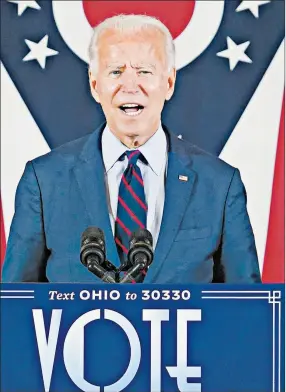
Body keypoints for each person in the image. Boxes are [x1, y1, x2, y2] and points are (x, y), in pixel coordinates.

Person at [2, 14, 261, 283]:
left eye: (144, 71)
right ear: (94, 85)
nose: (129, 86)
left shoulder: (220, 185)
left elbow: (245, 306)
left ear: (169, 83)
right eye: (115, 71)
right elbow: (14, 304)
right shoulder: (44, 181)